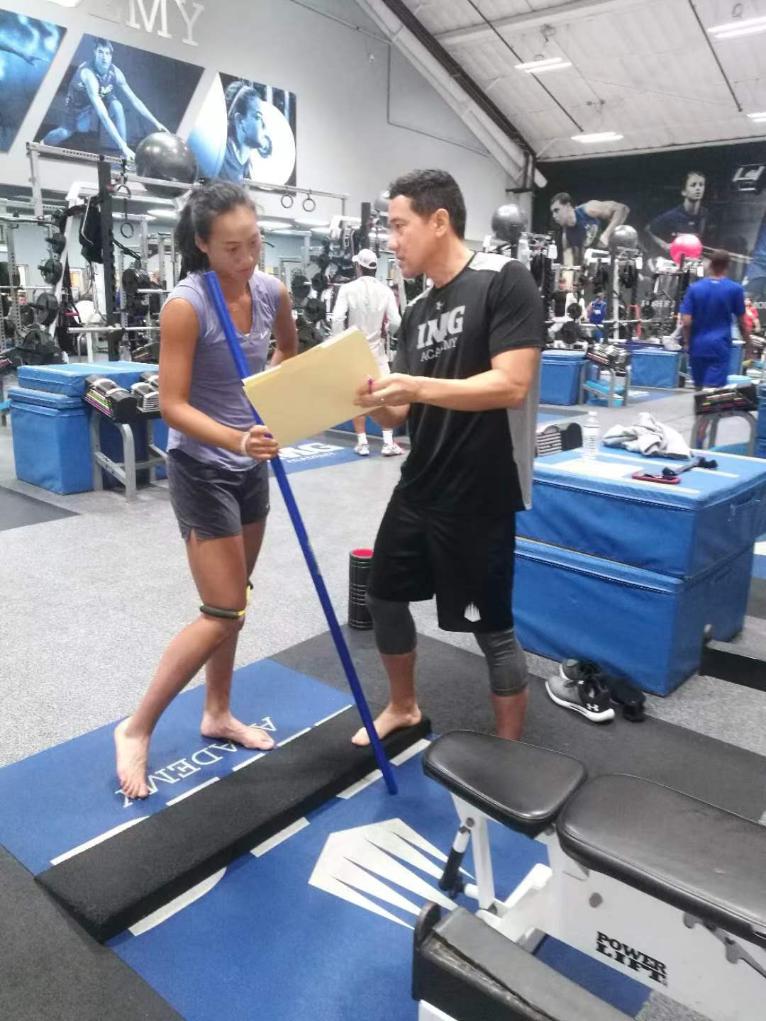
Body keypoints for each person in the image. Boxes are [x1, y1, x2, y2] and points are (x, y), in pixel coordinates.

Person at [114, 181, 298, 800]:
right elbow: (170, 405)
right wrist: (236, 438)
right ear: (202, 244)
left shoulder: (272, 292)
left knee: (236, 603)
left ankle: (217, 712)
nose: (246, 259)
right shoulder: (185, 306)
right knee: (221, 609)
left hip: (250, 465)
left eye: (254, 244)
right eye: (231, 249)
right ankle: (136, 728)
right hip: (202, 467)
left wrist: (271, 398)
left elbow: (287, 353)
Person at [352, 169, 544, 746]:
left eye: (399, 226)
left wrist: (415, 386)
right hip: (420, 484)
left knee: (493, 629)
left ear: (439, 221)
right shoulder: (415, 312)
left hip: (481, 489)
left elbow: (511, 385)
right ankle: (404, 707)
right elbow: (398, 415)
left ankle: (509, 750)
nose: (391, 241)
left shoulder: (504, 280)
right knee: (383, 596)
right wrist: (368, 398)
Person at [43, 38, 168, 161]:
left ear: (111, 55)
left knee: (117, 106)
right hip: (80, 101)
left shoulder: (116, 72)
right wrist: (122, 146)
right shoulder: (88, 74)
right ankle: (43, 144)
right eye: (100, 52)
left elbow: (135, 100)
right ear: (94, 53)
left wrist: (156, 123)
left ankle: (124, 153)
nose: (104, 57)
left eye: (107, 53)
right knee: (66, 132)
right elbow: (103, 116)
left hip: (102, 94)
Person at [330, 248, 404, 456]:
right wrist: (386, 330)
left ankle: (362, 443)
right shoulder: (385, 291)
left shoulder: (347, 289)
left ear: (358, 267)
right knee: (383, 396)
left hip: (354, 351)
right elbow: (396, 322)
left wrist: (339, 342)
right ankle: (388, 443)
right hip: (377, 351)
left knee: (359, 395)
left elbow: (337, 318)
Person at [680, 249, 750, 389]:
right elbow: (742, 322)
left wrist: (687, 342)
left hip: (697, 346)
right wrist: (748, 343)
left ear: (710, 264)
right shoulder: (735, 289)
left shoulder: (694, 288)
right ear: (728, 266)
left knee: (699, 388)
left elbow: (686, 322)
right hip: (719, 346)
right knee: (712, 391)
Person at [549, 192, 629, 266]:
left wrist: (606, 235)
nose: (553, 216)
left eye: (556, 210)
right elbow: (569, 267)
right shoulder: (566, 237)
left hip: (619, 259)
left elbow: (622, 209)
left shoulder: (588, 209)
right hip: (599, 268)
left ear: (568, 206)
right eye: (552, 212)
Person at [219, 81, 272, 183]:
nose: (264, 125)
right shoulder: (220, 160)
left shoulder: (247, 166)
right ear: (240, 121)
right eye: (258, 117)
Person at [646, 171, 707, 256]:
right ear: (684, 192)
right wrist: (663, 245)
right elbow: (648, 229)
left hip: (695, 258)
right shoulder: (672, 216)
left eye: (701, 185)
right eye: (693, 185)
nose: (698, 188)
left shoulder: (705, 214)